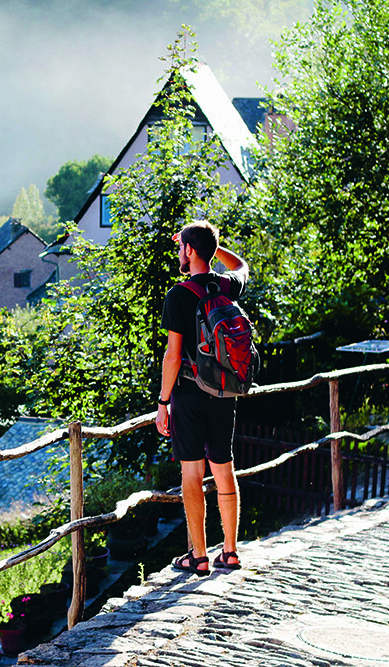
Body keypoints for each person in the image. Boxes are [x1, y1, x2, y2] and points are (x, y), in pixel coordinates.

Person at [155, 220, 247, 576]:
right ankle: (230, 551)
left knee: (192, 473)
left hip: (189, 395)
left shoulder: (179, 294)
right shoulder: (227, 285)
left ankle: (199, 555)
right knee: (224, 467)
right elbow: (241, 265)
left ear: (188, 251)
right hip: (225, 392)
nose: (180, 253)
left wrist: (163, 404)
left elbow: (173, 356)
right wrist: (212, 245)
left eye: (182, 247)